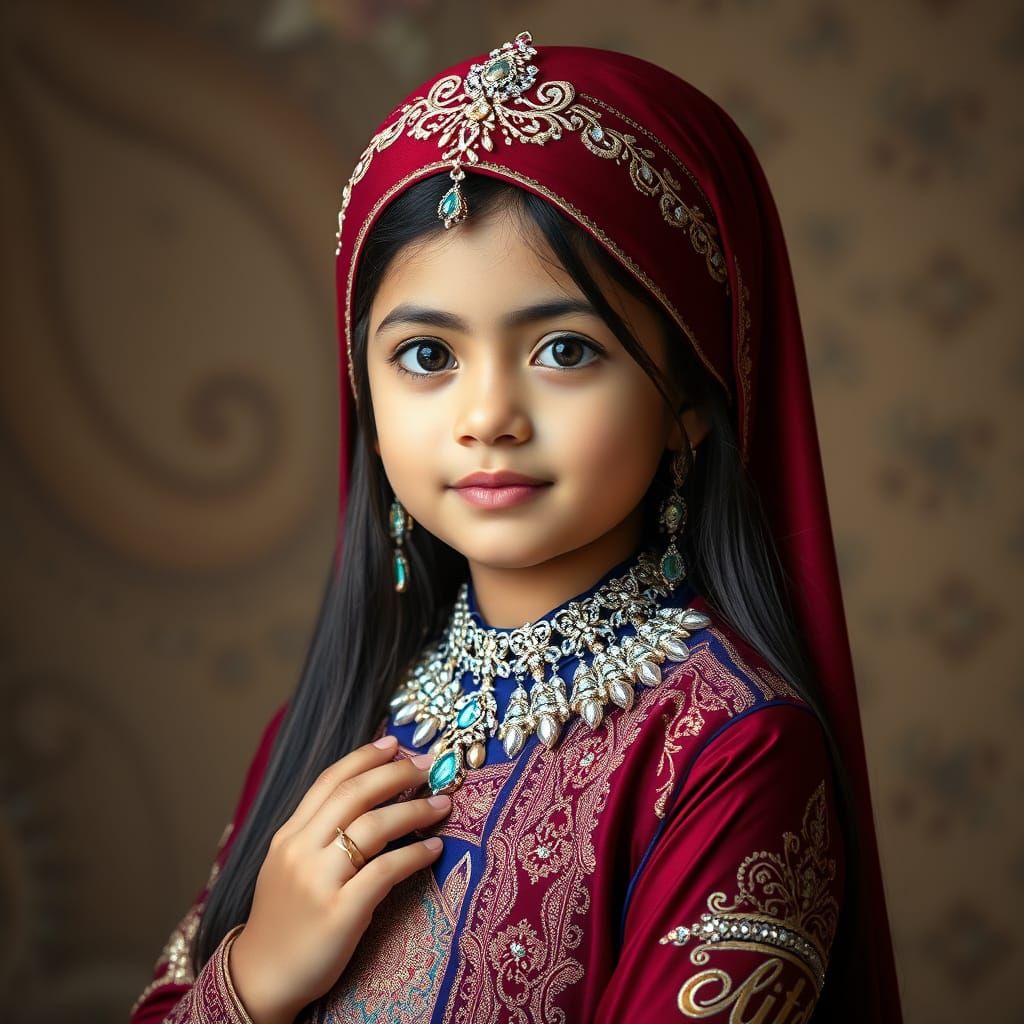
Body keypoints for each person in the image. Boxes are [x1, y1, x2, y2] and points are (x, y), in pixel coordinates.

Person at [129, 30, 903, 1023]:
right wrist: (254, 978)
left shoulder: (730, 751)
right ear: (360, 389)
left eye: (565, 348)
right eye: (423, 355)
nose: (486, 413)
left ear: (689, 397)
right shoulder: (330, 724)